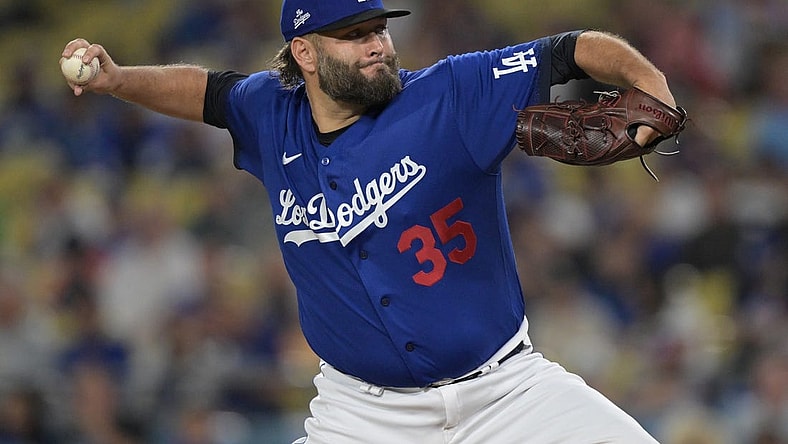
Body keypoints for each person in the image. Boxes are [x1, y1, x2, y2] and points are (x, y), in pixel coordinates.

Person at [60, 1, 679, 442]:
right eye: (354, 34)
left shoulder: (450, 93)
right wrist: (117, 80)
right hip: (361, 416)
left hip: (507, 396)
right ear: (303, 52)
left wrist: (651, 83)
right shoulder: (271, 114)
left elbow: (567, 51)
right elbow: (207, 92)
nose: (378, 44)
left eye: (379, 28)